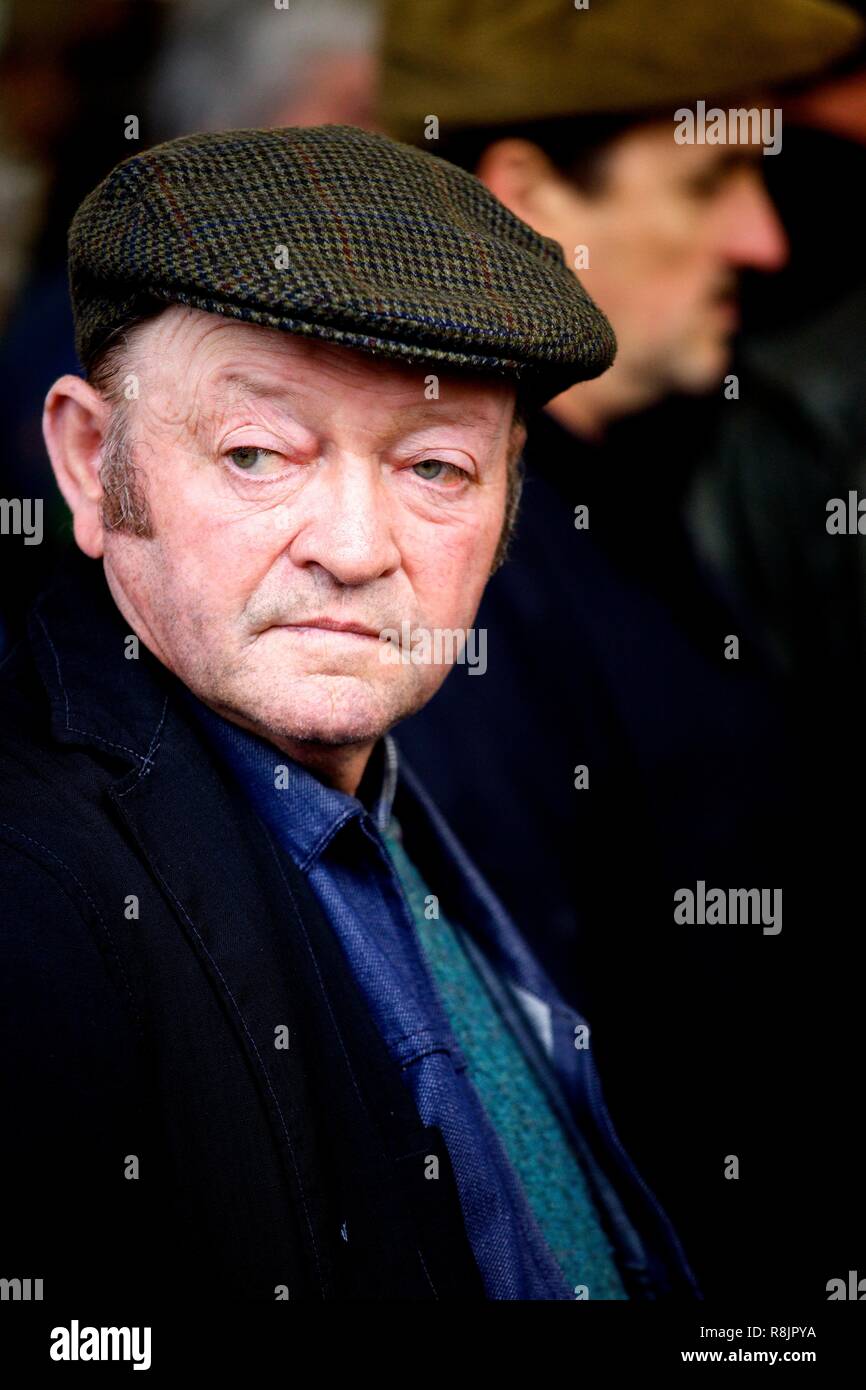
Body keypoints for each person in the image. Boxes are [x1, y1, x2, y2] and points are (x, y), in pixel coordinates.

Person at [0, 124, 700, 1303]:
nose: (354, 549)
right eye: (258, 453)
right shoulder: (32, 887)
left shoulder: (380, 791)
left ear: (510, 495)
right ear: (89, 460)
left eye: (435, 469)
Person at [378, 0, 865, 1297]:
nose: (759, 238)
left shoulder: (618, 488)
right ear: (527, 195)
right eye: (706, 181)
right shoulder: (457, 581)